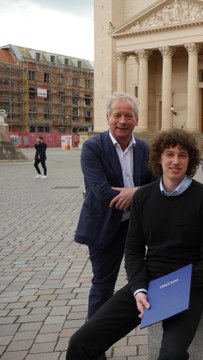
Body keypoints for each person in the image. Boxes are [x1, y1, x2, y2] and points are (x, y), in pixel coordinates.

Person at [67, 128, 203, 359]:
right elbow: (133, 251)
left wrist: (171, 292)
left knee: (170, 355)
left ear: (191, 160)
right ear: (159, 158)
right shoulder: (143, 197)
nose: (176, 161)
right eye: (170, 154)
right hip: (148, 281)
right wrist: (139, 288)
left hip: (188, 284)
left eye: (182, 155)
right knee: (81, 342)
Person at [74, 92, 156, 319]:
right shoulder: (93, 148)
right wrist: (140, 196)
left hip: (137, 227)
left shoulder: (145, 149)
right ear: (108, 118)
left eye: (128, 116)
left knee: (144, 279)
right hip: (103, 226)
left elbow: (159, 184)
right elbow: (101, 191)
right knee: (102, 285)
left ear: (136, 120)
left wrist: (135, 192)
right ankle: (93, 345)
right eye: (117, 115)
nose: (123, 121)